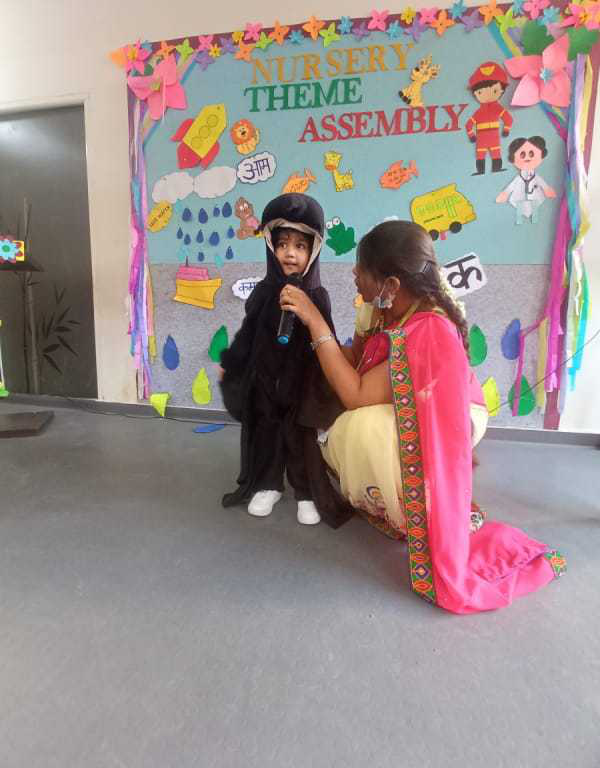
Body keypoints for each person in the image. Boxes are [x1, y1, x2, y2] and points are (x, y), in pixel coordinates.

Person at [279, 220, 566, 614]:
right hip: (405, 398)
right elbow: (358, 361)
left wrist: (316, 323)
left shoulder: (428, 327)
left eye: (362, 268)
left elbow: (356, 392)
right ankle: (388, 498)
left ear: (391, 284)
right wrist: (312, 338)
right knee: (333, 391)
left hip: (460, 412)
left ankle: (406, 510)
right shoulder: (380, 307)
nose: (354, 272)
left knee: (365, 428)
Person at [219, 192, 346, 527]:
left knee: (300, 436)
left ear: (313, 251)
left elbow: (327, 339)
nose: (290, 253)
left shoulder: (317, 296)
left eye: (300, 246)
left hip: (301, 383)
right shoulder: (263, 292)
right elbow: (248, 332)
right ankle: (268, 485)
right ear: (270, 246)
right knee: (267, 432)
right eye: (283, 244)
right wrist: (232, 361)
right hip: (265, 381)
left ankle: (305, 492)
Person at [496, 136, 557, 224]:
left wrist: (547, 190)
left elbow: (542, 184)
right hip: (520, 197)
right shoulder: (518, 178)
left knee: (535, 203)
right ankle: (519, 220)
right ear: (513, 158)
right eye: (522, 155)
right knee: (519, 206)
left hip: (534, 197)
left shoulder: (536, 177)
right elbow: (511, 186)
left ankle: (534, 219)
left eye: (532, 154)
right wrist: (505, 194)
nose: (527, 157)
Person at [466, 62, 513, 175]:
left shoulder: (497, 108)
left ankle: (495, 169)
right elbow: (468, 124)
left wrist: (506, 129)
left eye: (494, 90)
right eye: (480, 92)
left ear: (502, 90)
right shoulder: (479, 112)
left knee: (494, 153)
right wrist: (471, 135)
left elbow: (508, 119)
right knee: (481, 154)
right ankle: (481, 171)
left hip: (491, 138)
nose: (486, 95)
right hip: (483, 139)